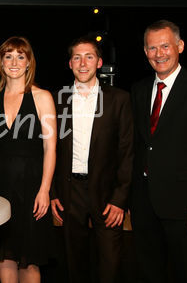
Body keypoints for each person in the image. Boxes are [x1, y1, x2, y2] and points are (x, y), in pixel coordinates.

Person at [130, 20, 187, 283]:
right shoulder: (138, 91)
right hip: (143, 205)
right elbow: (139, 147)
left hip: (185, 208)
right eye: (152, 48)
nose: (159, 54)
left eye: (165, 46)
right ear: (145, 52)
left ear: (180, 46)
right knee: (149, 273)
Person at [50, 36, 133, 283]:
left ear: (99, 62)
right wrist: (53, 192)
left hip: (108, 195)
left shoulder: (119, 99)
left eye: (89, 57)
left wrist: (120, 199)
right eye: (77, 57)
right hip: (69, 192)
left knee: (110, 264)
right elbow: (49, 150)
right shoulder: (56, 100)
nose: (83, 63)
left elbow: (127, 152)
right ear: (69, 63)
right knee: (73, 263)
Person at [0, 36, 56, 283]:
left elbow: (50, 147)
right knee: (5, 255)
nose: (14, 61)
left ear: (28, 62)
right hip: (0, 183)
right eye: (8, 56)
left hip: (32, 184)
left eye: (20, 56)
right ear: (1, 63)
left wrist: (45, 189)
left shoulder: (42, 97)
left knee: (30, 257)